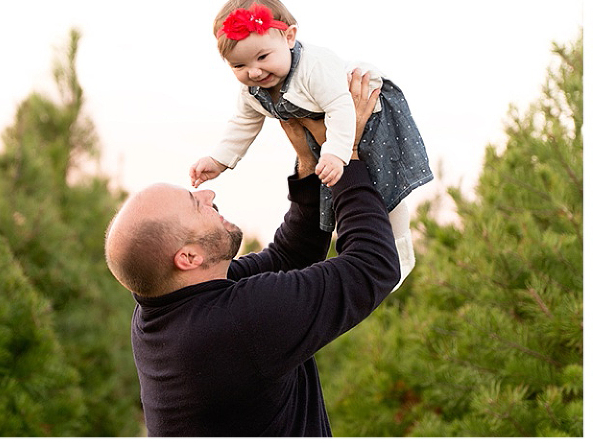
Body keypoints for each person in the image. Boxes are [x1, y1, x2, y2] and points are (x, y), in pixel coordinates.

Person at [104, 74, 401, 436]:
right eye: (195, 205)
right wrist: (346, 154)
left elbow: (291, 256)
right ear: (189, 257)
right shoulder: (235, 325)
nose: (209, 196)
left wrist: (310, 163)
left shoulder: (168, 304)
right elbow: (374, 266)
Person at [189, 0, 433, 287]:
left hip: (366, 114)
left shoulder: (314, 67)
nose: (254, 71)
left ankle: (398, 253)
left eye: (263, 57)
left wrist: (337, 152)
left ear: (289, 37)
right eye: (238, 66)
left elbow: (342, 107)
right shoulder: (253, 90)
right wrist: (219, 160)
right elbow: (243, 123)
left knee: (384, 189)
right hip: (329, 133)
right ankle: (363, 256)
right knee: (338, 197)